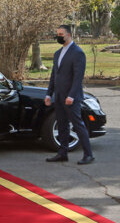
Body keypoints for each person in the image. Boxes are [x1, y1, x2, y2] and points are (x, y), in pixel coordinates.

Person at [45, 25, 94, 165]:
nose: (59, 36)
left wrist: (71, 96)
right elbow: (54, 76)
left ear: (68, 35)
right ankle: (62, 153)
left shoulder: (77, 52)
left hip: (71, 97)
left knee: (78, 125)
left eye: (61, 34)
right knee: (62, 125)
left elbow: (78, 77)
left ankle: (88, 154)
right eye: (57, 34)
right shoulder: (57, 53)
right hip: (59, 96)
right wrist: (49, 94)